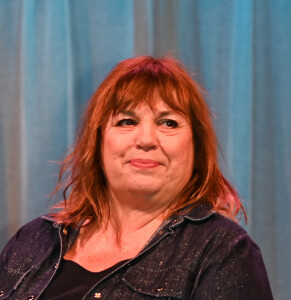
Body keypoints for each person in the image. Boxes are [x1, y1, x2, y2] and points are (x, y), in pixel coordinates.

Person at [0, 56, 273, 299]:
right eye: (126, 121)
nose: (145, 140)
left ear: (197, 147)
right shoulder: (33, 240)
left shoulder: (224, 251)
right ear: (97, 142)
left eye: (168, 123)